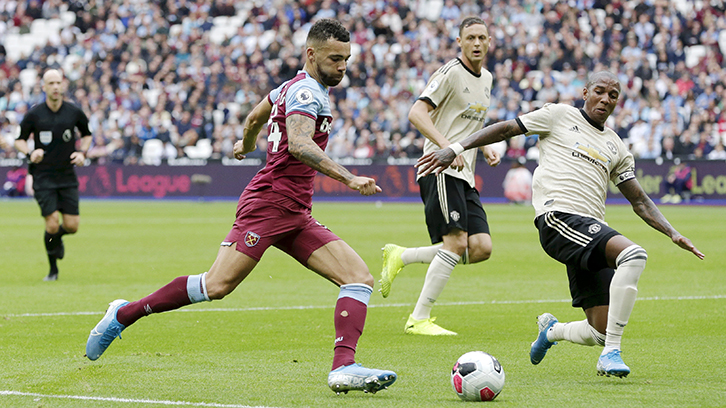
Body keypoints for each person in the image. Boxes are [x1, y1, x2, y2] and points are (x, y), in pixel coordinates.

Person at [85, 19, 397, 395]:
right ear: (311, 54)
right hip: (268, 204)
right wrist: (348, 178)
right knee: (216, 286)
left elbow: (254, 117)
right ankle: (123, 313)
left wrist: (246, 142)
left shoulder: (287, 88)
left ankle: (344, 367)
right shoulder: (305, 94)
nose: (343, 66)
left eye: (346, 59)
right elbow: (299, 143)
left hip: (295, 211)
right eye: (335, 59)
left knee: (357, 278)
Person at [417, 71, 704, 377]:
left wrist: (673, 233)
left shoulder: (616, 147)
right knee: (633, 255)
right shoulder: (558, 115)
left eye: (613, 95)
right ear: (585, 92)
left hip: (589, 230)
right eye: (599, 91)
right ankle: (612, 354)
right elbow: (505, 129)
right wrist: (456, 148)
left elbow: (640, 201)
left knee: (600, 330)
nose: (605, 99)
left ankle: (552, 331)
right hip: (558, 219)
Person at [379, 16, 501, 336]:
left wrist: (484, 147)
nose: (477, 43)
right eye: (470, 38)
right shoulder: (449, 73)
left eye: (482, 38)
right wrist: (449, 147)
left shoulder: (486, 78)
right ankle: (419, 318)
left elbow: (470, 125)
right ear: (459, 42)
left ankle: (402, 256)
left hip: (465, 173)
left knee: (480, 247)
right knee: (456, 241)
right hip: (440, 167)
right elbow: (416, 112)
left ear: (489, 43)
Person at [15, 69, 92, 281]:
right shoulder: (34, 114)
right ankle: (53, 270)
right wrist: (31, 152)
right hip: (43, 175)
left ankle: (56, 239)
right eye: (51, 83)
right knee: (51, 223)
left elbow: (87, 135)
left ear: (63, 85)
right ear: (44, 87)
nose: (56, 86)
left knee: (72, 226)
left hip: (67, 175)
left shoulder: (74, 112)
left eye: (58, 82)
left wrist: (82, 153)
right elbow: (19, 140)